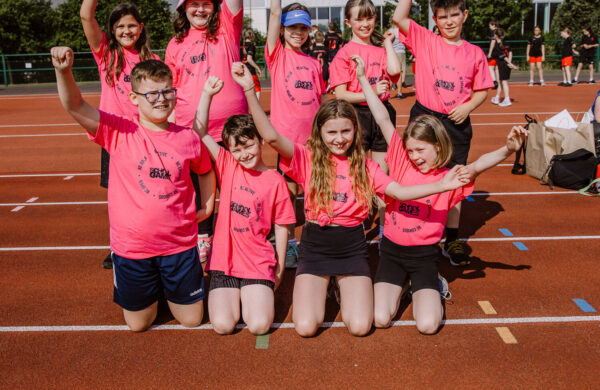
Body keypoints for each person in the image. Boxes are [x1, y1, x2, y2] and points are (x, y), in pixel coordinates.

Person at [231, 61, 469, 337]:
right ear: (319, 132)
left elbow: (399, 192)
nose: (339, 138)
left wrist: (441, 184)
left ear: (355, 131)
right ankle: (331, 285)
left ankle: (341, 285)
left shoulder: (366, 167)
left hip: (351, 248)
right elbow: (271, 137)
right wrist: (250, 89)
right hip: (316, 246)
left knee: (360, 326)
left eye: (346, 131)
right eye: (331, 132)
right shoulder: (306, 159)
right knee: (306, 327)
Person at [353, 54, 528, 335]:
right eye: (410, 149)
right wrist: (363, 78)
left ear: (438, 146)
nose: (414, 156)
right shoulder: (401, 160)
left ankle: (433, 283)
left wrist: (508, 149)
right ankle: (404, 287)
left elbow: (478, 165)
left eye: (420, 150)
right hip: (392, 254)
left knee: (428, 325)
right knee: (380, 319)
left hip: (424, 258)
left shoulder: (449, 176)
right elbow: (382, 117)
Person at [51, 47, 216, 332]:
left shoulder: (187, 137)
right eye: (152, 93)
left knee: (192, 321)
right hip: (132, 249)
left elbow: (205, 170)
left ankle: (169, 288)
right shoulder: (119, 132)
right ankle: (153, 292)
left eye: (167, 92)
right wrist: (63, 71)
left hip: (179, 246)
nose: (161, 99)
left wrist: (209, 205)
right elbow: (75, 105)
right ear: (134, 98)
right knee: (139, 324)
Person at [392, 0, 493, 266]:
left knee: (455, 178)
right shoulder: (425, 39)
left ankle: (452, 238)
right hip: (425, 118)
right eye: (442, 16)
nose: (449, 21)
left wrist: (468, 106)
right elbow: (399, 16)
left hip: (456, 123)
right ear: (434, 19)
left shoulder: (475, 53)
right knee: (414, 173)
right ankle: (410, 228)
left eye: (454, 15)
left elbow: (482, 90)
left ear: (465, 15)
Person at [193, 76, 295, 335]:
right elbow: (200, 131)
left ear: (260, 142)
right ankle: (235, 295)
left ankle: (252, 294)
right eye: (236, 149)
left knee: (259, 326)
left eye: (248, 145)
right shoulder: (228, 165)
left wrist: (280, 267)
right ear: (229, 150)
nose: (244, 154)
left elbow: (282, 227)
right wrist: (206, 93)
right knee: (223, 326)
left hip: (257, 262)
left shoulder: (275, 181)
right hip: (223, 262)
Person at [80, 0, 159, 269]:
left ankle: (151, 240)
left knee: (149, 192)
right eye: (120, 26)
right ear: (112, 30)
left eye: (132, 25)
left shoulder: (153, 60)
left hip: (146, 138)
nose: (127, 31)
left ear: (141, 27)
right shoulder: (106, 54)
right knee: (117, 196)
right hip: (114, 139)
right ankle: (117, 246)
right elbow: (85, 16)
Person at [165, 0, 246, 263]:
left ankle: (242, 236)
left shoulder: (226, 27)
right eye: (193, 4)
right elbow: (171, 90)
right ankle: (204, 238)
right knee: (199, 193)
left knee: (237, 187)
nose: (200, 9)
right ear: (183, 10)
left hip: (230, 129)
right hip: (192, 129)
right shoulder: (175, 44)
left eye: (206, 4)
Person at [265, 0, 326, 268]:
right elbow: (275, 13)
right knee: (287, 196)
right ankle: (288, 245)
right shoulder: (276, 55)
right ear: (282, 30)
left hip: (313, 142)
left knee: (317, 193)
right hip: (287, 144)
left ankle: (317, 243)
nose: (297, 32)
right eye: (292, 27)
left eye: (303, 27)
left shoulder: (313, 64)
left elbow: (319, 102)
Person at [490, 28, 518, 107]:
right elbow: (510, 52)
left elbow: (503, 57)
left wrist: (510, 64)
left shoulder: (497, 46)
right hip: (505, 64)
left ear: (496, 35)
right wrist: (510, 62)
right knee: (501, 82)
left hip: (502, 64)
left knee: (504, 82)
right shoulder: (506, 43)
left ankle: (507, 99)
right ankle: (497, 97)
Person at [387, 18, 407, 99]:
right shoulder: (401, 31)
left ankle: (388, 93)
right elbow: (405, 40)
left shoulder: (389, 31)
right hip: (400, 52)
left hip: (392, 52)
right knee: (400, 72)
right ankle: (399, 93)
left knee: (391, 73)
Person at [241, 28, 262, 99]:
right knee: (257, 89)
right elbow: (249, 59)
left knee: (245, 91)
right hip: (250, 71)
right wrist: (257, 68)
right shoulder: (251, 45)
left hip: (242, 72)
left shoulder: (241, 45)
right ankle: (255, 109)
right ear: (252, 35)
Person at [487, 19, 499, 90]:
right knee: (497, 68)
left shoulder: (494, 32)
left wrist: (490, 53)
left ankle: (494, 81)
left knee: (490, 67)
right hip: (499, 51)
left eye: (490, 26)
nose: (489, 27)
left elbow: (493, 42)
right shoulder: (500, 31)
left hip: (494, 51)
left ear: (493, 25)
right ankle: (498, 81)